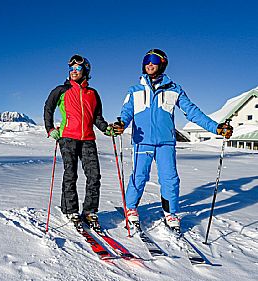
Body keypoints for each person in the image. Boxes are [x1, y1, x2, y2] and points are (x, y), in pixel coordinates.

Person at [109, 49, 233, 231]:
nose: (149, 64)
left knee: (170, 178)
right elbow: (127, 112)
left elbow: (193, 112)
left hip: (166, 142)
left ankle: (170, 212)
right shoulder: (134, 90)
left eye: (154, 61)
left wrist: (216, 128)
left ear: (162, 64)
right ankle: (132, 208)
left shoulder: (174, 90)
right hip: (142, 141)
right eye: (146, 60)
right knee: (139, 176)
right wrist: (121, 124)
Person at [44, 54, 112, 230]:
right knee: (70, 174)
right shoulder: (61, 90)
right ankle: (71, 209)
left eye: (78, 68)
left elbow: (97, 118)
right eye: (71, 68)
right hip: (67, 137)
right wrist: (50, 128)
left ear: (85, 71)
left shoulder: (93, 93)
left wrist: (107, 129)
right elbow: (48, 108)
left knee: (94, 175)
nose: (74, 71)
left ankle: (90, 211)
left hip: (88, 138)